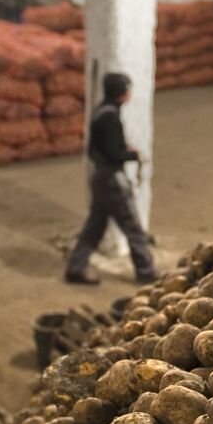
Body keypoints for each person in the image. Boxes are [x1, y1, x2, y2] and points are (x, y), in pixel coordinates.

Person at [65, 72, 157, 285]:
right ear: (123, 92)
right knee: (132, 225)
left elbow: (100, 147)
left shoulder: (102, 111)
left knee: (94, 226)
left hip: (99, 178)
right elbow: (113, 154)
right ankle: (146, 271)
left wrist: (121, 148)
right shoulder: (110, 117)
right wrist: (132, 154)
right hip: (111, 179)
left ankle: (76, 267)